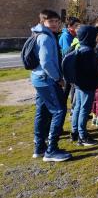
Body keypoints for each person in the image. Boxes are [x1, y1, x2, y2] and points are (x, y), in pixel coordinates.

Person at [30, 9, 71, 161]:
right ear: (43, 22)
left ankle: (39, 147)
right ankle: (51, 150)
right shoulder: (46, 38)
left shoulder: (38, 34)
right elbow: (46, 62)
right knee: (59, 110)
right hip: (47, 79)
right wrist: (57, 78)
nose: (54, 24)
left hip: (38, 78)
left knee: (42, 111)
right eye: (50, 21)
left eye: (56, 21)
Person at [70, 25, 98, 146]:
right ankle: (82, 136)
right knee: (84, 109)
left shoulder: (79, 47)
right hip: (87, 84)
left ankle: (75, 132)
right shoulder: (89, 51)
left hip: (78, 84)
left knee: (77, 107)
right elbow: (92, 70)